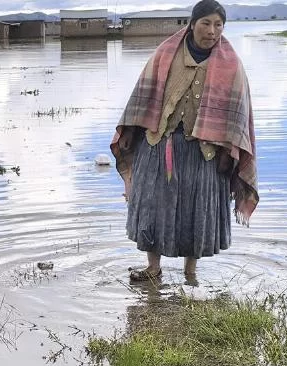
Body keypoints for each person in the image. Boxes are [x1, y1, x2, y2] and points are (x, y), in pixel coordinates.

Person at [110, 0, 259, 282]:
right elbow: (144, 95)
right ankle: (153, 268)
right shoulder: (165, 54)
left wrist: (229, 149)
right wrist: (131, 133)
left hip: (204, 151)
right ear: (192, 24)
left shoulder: (232, 66)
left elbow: (238, 115)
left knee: (198, 209)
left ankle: (191, 273)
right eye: (205, 23)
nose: (212, 31)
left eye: (218, 25)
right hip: (158, 143)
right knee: (152, 206)